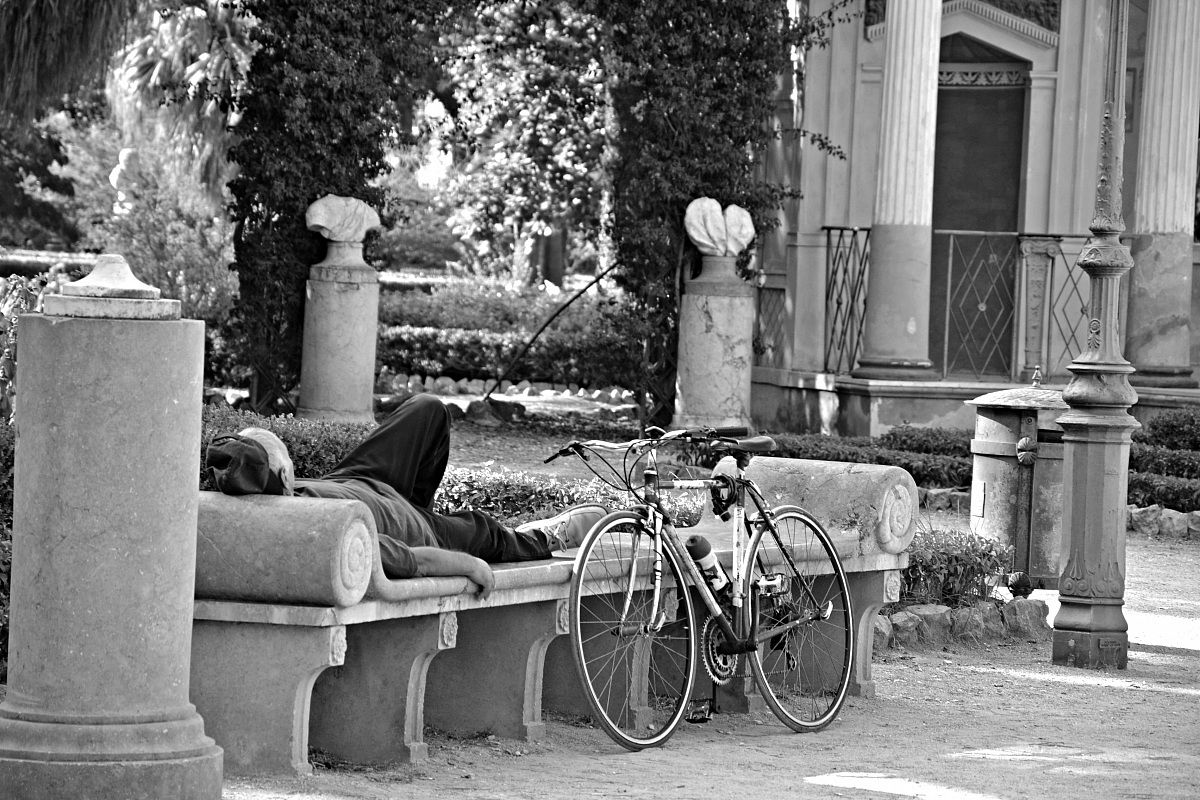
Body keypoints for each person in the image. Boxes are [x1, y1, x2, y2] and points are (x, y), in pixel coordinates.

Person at [205, 394, 606, 599]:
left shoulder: (266, 491)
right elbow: (412, 560)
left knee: (428, 409)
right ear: (282, 474)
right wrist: (471, 564)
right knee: (483, 532)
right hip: (413, 527)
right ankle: (544, 536)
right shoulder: (323, 531)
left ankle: (427, 507)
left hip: (357, 479)